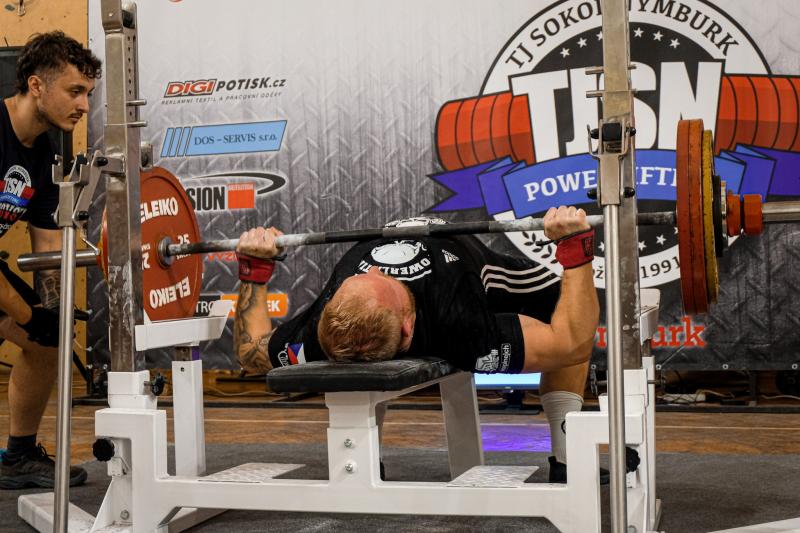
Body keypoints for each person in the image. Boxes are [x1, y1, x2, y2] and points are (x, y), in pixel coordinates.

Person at [233, 207, 600, 482]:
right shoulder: (460, 323)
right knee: (566, 303)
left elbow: (251, 351)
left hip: (399, 238)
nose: (374, 271)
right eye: (380, 280)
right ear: (408, 328)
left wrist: (254, 269)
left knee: (568, 306)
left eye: (363, 279)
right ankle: (566, 461)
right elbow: (574, 342)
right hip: (466, 263)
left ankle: (564, 457)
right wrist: (574, 249)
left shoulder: (319, 328)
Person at [0, 32, 101, 489]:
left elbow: (46, 248)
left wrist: (53, 313)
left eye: (88, 94)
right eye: (75, 91)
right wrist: (27, 315)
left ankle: (19, 456)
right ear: (36, 85)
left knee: (47, 343)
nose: (83, 105)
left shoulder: (45, 152)